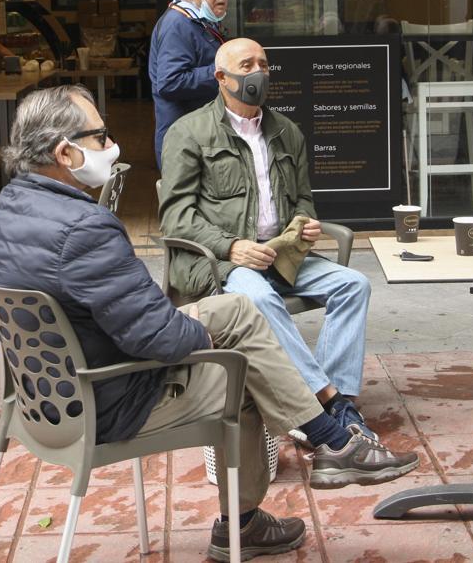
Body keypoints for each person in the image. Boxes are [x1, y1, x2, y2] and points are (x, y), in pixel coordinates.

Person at [0, 84, 418, 561]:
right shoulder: (85, 227)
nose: (111, 146)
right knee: (243, 375)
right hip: (108, 399)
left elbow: (133, 317)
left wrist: (202, 324)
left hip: (38, 400)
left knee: (239, 312)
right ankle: (259, 510)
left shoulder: (3, 211)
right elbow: (159, 338)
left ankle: (328, 442)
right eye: (101, 137)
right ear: (65, 153)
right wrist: (205, 337)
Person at [159, 38, 376, 444]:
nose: (258, 71)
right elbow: (176, 218)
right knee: (256, 299)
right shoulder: (189, 133)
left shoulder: (286, 131)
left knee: (354, 284)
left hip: (281, 256)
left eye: (263, 63)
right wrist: (230, 247)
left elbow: (303, 199)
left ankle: (338, 393)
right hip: (222, 263)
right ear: (222, 78)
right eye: (247, 64)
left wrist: (305, 223)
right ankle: (322, 403)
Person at [149, 0, 230, 166]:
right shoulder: (178, 24)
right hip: (185, 148)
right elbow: (170, 82)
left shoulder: (200, 21)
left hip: (200, 142)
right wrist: (225, 72)